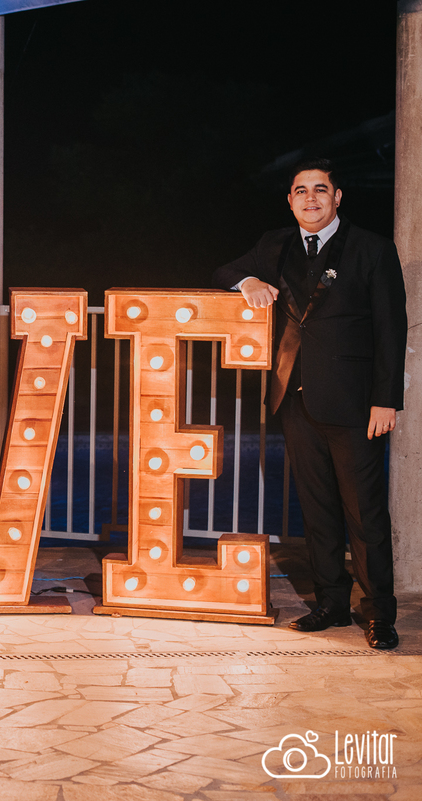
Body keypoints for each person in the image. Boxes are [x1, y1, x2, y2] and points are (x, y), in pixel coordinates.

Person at [213, 159, 406, 650]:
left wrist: (386, 401)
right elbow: (225, 270)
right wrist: (248, 283)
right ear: (290, 200)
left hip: (355, 404)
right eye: (301, 191)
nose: (311, 199)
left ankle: (379, 613)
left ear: (337, 197)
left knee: (364, 514)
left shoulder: (372, 249)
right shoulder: (274, 245)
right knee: (317, 511)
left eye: (321, 190)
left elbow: (391, 329)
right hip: (295, 400)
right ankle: (331, 603)